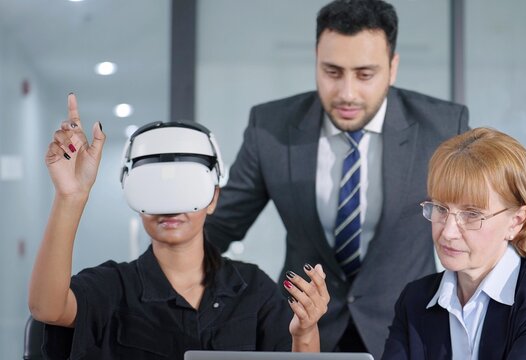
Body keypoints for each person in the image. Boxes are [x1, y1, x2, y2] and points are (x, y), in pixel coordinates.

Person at [203, 0, 526, 359]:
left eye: (365, 74)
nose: (347, 92)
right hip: (306, 332)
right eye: (332, 72)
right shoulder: (272, 127)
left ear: (392, 68)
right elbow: (218, 227)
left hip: (409, 330)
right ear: (315, 62)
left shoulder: (440, 124)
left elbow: (518, 214)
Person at [28, 94, 330, 359]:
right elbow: (48, 309)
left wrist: (305, 331)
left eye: (185, 188)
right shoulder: (112, 287)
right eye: (155, 189)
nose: (171, 207)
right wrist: (70, 196)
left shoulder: (253, 290)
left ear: (213, 198)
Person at [381, 127, 526, 359]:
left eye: (471, 214)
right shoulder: (415, 300)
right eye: (440, 208)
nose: (447, 232)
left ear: (516, 221)